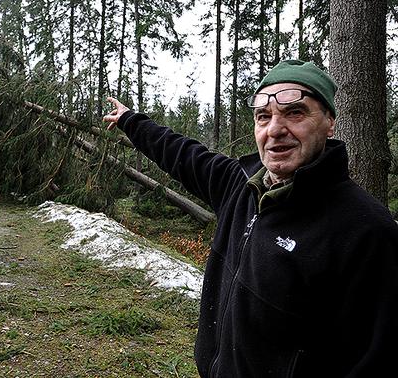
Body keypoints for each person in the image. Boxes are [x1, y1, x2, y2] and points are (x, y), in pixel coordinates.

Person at [103, 59, 398, 377]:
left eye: (295, 113)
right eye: (263, 116)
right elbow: (180, 153)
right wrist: (129, 120)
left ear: (329, 122)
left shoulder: (367, 231)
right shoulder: (238, 183)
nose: (275, 129)